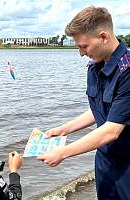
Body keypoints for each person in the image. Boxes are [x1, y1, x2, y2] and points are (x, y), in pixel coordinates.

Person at [37, 6, 130, 200]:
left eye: (83, 46)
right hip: (104, 159)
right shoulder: (94, 66)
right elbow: (99, 109)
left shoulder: (127, 71)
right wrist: (64, 129)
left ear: (103, 37)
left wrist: (63, 153)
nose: (81, 53)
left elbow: (112, 129)